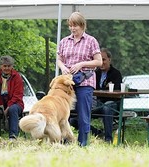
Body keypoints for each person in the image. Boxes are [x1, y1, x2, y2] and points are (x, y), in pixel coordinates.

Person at [56, 12, 103, 146]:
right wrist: (63, 67)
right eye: (70, 26)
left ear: (82, 25)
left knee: (83, 114)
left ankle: (83, 143)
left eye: (75, 25)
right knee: (64, 113)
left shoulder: (91, 41)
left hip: (85, 81)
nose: (72, 28)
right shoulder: (64, 41)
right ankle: (65, 141)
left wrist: (82, 64)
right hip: (67, 82)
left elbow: (98, 62)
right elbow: (59, 59)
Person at [0, 56, 24, 140]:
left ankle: (13, 135)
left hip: (15, 103)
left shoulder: (17, 77)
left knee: (12, 109)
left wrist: (8, 107)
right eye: (4, 66)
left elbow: (18, 95)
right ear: (1, 66)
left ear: (12, 66)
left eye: (9, 66)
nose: (7, 68)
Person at [92, 48, 122, 142]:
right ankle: (97, 133)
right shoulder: (95, 73)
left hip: (113, 104)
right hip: (98, 103)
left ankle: (108, 139)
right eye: (99, 60)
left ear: (109, 59)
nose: (102, 62)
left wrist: (103, 90)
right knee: (76, 116)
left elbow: (117, 91)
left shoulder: (116, 74)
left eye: (104, 59)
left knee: (107, 106)